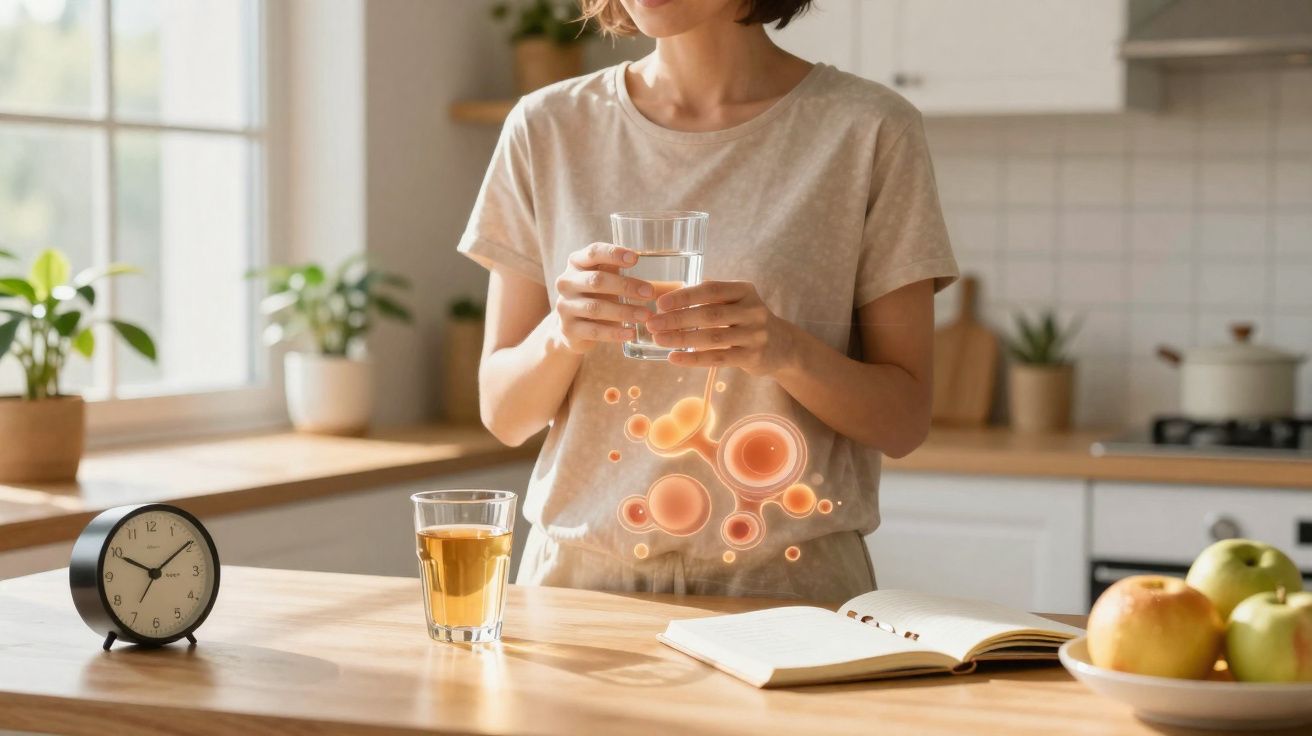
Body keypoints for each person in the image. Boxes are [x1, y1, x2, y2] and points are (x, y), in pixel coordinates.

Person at [457, 0, 958, 601]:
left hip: (787, 591)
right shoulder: (546, 127)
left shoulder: (869, 128)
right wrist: (560, 334)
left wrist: (785, 351)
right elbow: (503, 414)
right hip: (578, 587)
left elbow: (903, 422)